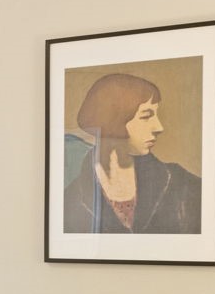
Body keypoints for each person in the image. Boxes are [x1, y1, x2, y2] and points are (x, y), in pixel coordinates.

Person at [62, 72, 201, 234]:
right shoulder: (69, 199)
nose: (159, 127)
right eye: (146, 116)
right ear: (113, 118)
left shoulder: (184, 185)